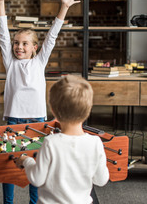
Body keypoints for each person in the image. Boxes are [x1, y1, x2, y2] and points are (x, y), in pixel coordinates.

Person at [0, 0, 80, 204]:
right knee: (10, 166)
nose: (18, 47)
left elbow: (52, 36)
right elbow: (3, 35)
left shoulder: (40, 63)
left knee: (36, 167)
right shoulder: (10, 63)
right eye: (17, 43)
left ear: (35, 48)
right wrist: (0, 3)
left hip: (37, 121)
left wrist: (64, 7)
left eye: (24, 44)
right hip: (13, 119)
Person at [15, 75, 110, 204]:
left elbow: (37, 179)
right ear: (89, 110)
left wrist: (27, 161)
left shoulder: (50, 143)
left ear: (53, 111)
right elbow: (101, 180)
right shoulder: (95, 143)